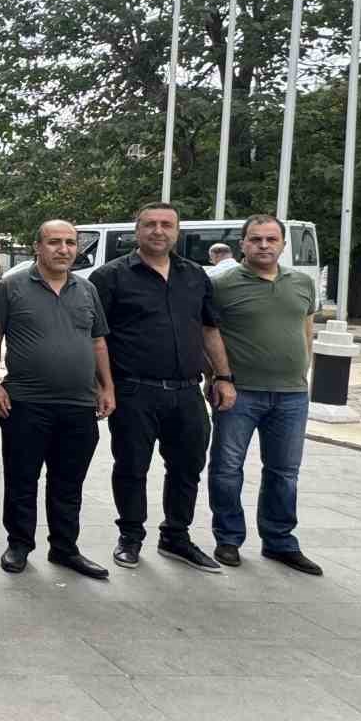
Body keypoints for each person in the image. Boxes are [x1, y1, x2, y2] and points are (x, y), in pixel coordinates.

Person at [89, 202, 235, 572]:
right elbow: (92, 336)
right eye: (150, 224)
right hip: (135, 390)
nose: (158, 231)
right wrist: (101, 386)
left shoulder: (195, 276)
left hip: (187, 392)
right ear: (136, 232)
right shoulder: (111, 277)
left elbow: (208, 329)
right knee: (132, 466)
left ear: (177, 231)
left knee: (187, 466)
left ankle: (176, 535)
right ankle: (131, 536)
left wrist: (223, 376)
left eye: (166, 224)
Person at [0, 221, 116, 580]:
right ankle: (19, 544)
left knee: (69, 481)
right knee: (22, 478)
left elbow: (98, 341)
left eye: (70, 243)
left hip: (78, 404)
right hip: (26, 402)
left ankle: (64, 547)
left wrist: (107, 388)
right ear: (37, 247)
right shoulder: (13, 287)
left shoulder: (87, 290)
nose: (63, 249)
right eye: (54, 242)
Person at [208, 215, 322, 576]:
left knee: (285, 472)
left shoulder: (302, 283)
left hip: (291, 396)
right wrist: (217, 378)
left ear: (283, 245)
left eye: (271, 239)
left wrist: (303, 371)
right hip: (239, 393)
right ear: (241, 244)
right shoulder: (222, 285)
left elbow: (307, 328)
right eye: (255, 239)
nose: (263, 245)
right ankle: (228, 538)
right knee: (227, 469)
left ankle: (280, 541)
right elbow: (208, 334)